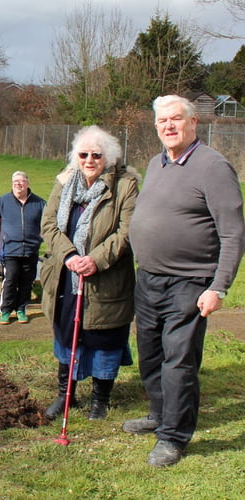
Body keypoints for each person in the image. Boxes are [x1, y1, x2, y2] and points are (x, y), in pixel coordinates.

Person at [125, 95, 245, 467]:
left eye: (177, 119)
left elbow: (233, 233)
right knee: (151, 354)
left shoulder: (213, 167)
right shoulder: (156, 162)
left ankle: (173, 437)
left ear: (194, 123)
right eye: (163, 121)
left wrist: (218, 286)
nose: (169, 126)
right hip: (148, 279)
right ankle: (160, 414)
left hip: (190, 282)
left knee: (179, 360)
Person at [40, 125, 138, 423]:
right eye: (83, 154)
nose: (89, 160)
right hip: (67, 278)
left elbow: (127, 232)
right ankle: (65, 394)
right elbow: (49, 223)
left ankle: (100, 399)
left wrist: (94, 260)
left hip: (105, 280)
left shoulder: (125, 184)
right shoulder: (66, 180)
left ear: (107, 157)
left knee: (103, 338)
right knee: (68, 334)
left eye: (96, 155)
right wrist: (69, 255)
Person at [0, 171, 44, 325]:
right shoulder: (3, 201)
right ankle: (6, 310)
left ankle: (21, 309)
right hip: (10, 249)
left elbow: (46, 225)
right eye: (15, 181)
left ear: (27, 183)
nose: (18, 184)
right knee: (10, 279)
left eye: (21, 181)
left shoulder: (40, 203)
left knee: (27, 281)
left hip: (30, 250)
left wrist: (39, 239)